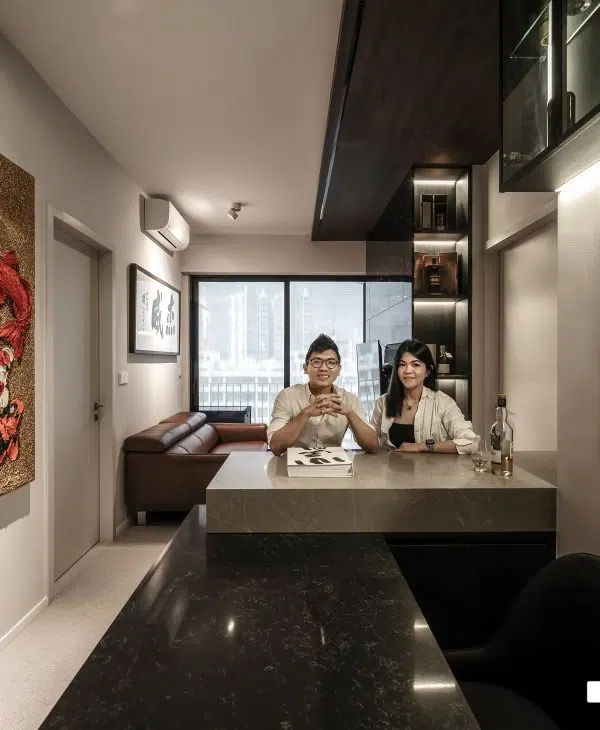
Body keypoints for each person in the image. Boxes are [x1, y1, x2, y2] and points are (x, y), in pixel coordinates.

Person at [267, 333, 379, 456]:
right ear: (305, 368)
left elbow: (373, 446)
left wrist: (350, 413)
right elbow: (275, 446)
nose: (324, 368)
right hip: (294, 464)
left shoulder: (350, 400)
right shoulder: (287, 396)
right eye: (316, 362)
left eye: (331, 362)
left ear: (339, 370)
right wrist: (306, 413)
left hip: (334, 465)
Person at [371, 339, 476, 454]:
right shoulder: (383, 402)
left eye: (415, 364)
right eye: (402, 365)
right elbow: (373, 442)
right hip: (389, 466)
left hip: (432, 466)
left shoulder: (443, 402)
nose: (408, 370)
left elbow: (470, 442)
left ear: (427, 372)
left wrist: (422, 446)